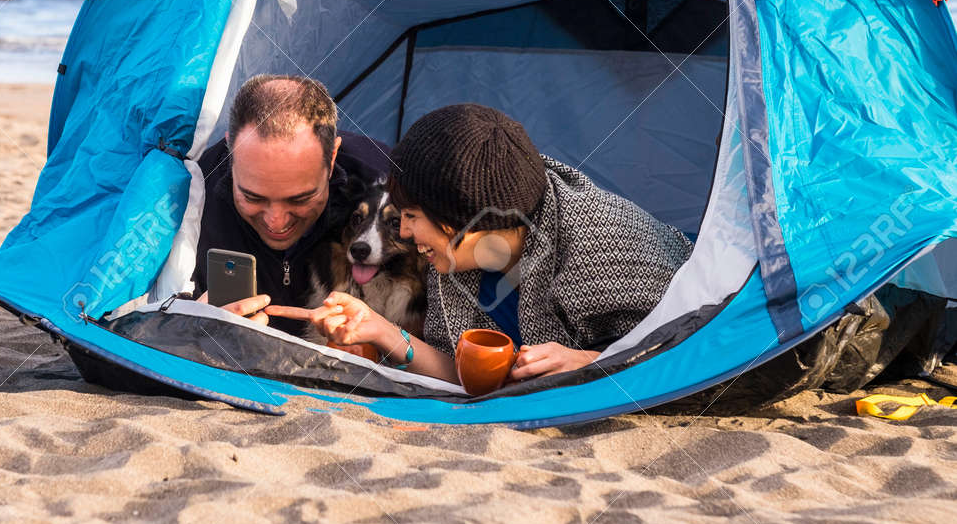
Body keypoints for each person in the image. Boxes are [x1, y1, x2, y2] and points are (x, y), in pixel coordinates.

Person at [268, 103, 692, 385]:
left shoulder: (603, 244)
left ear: (462, 221)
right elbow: (459, 372)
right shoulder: (451, 266)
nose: (406, 235)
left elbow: (694, 352)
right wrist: (380, 330)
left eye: (410, 217)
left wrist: (592, 361)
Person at [191, 74, 389, 334]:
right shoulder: (190, 190)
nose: (277, 222)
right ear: (231, 152)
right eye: (253, 197)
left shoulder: (384, 182)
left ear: (331, 159)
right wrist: (191, 326)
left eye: (300, 199)